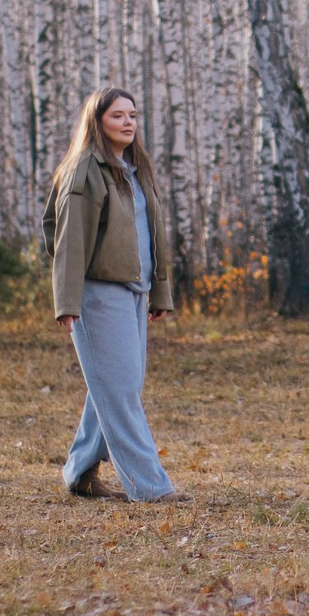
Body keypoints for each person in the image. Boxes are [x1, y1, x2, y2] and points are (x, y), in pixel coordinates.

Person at [43, 87, 187, 504]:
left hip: (133, 293)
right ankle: (151, 487)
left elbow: (151, 234)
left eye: (133, 115)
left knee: (114, 386)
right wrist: (67, 302)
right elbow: (69, 242)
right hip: (96, 296)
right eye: (117, 115)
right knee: (121, 393)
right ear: (97, 121)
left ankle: (80, 471)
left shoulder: (133, 168)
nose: (128, 122)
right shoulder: (85, 170)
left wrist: (158, 291)